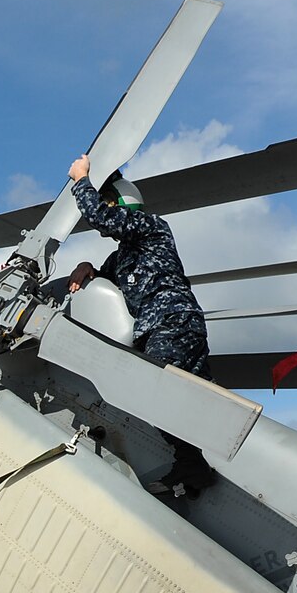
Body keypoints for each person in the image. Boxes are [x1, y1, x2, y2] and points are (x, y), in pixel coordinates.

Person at [65, 153, 216, 495]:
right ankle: (193, 467)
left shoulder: (152, 228)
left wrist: (81, 181)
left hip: (173, 322)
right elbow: (106, 282)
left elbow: (102, 218)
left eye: (108, 201)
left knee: (155, 393)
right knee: (171, 401)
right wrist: (88, 266)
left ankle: (194, 464)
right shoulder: (121, 257)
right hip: (164, 329)